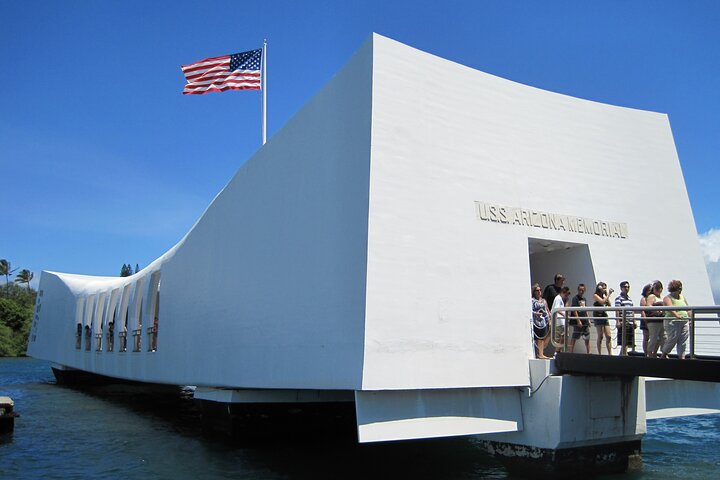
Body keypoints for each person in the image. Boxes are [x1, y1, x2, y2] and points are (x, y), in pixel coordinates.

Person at [660, 280, 691, 360]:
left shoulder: (682, 297)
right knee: (673, 338)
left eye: (681, 288)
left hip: (684, 321)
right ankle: (664, 354)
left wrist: (690, 318)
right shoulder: (668, 298)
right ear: (674, 289)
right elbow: (670, 308)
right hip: (672, 321)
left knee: (683, 339)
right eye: (678, 288)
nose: (680, 290)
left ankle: (681, 357)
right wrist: (677, 316)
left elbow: (688, 308)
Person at [645, 280, 666, 357]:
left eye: (659, 288)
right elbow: (648, 306)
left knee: (664, 338)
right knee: (653, 337)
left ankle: (663, 353)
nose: (658, 290)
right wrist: (658, 311)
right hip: (654, 320)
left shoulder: (663, 297)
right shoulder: (651, 297)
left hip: (662, 320)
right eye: (656, 288)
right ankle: (650, 353)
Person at [614, 281, 636, 355]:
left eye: (628, 287)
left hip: (630, 322)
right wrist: (617, 321)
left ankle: (623, 355)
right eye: (625, 287)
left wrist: (634, 321)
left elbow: (632, 311)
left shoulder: (630, 299)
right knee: (624, 342)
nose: (627, 288)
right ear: (621, 288)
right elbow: (617, 310)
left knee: (627, 342)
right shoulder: (618, 298)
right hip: (623, 323)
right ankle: (623, 356)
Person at [568, 283, 590, 353]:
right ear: (578, 290)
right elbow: (574, 310)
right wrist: (578, 321)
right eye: (580, 290)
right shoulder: (575, 298)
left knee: (587, 337)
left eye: (583, 290)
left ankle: (589, 352)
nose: (581, 291)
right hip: (578, 321)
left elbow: (585, 310)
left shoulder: (584, 299)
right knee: (575, 336)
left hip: (584, 321)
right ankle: (570, 351)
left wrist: (588, 320)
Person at [531, 283, 551, 359]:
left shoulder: (543, 301)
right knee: (537, 338)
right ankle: (539, 354)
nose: (539, 291)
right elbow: (530, 310)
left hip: (543, 322)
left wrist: (549, 319)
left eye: (540, 290)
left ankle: (541, 353)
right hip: (536, 322)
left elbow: (546, 310)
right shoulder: (532, 301)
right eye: (537, 290)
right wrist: (536, 313)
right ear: (534, 291)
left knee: (543, 338)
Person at [593, 282, 614, 355]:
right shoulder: (595, 295)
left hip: (604, 316)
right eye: (603, 287)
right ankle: (599, 353)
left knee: (608, 336)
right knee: (600, 336)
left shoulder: (605, 296)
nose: (605, 289)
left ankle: (610, 353)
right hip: (598, 316)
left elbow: (609, 304)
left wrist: (606, 295)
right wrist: (608, 294)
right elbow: (602, 302)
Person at [551, 286, 572, 353]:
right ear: (563, 292)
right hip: (560, 322)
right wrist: (564, 315)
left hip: (562, 322)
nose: (567, 296)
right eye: (567, 294)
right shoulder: (558, 299)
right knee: (561, 337)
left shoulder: (561, 300)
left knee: (563, 337)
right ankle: (557, 351)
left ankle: (558, 351)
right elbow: (556, 309)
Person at [639, 283, 653, 354]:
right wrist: (645, 320)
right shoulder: (643, 299)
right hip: (645, 320)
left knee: (653, 338)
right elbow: (642, 310)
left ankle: (651, 352)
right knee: (646, 338)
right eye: (649, 290)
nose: (650, 292)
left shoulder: (653, 298)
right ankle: (646, 353)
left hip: (652, 320)